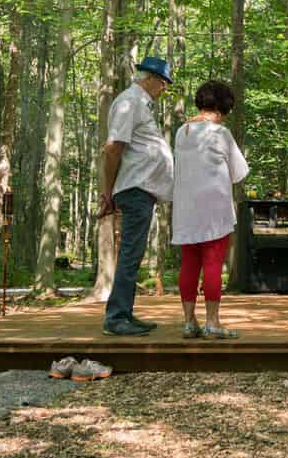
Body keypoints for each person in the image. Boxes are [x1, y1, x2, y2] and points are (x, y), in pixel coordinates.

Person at [98, 56, 175, 336]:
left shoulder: (140, 104)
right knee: (130, 253)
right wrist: (107, 192)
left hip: (143, 190)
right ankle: (116, 317)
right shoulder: (129, 102)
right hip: (135, 189)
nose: (165, 88)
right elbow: (113, 148)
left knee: (134, 252)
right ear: (150, 78)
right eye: (163, 82)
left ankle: (124, 314)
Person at [171, 79, 249, 339]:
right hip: (214, 209)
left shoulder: (182, 132)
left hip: (185, 208)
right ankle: (212, 323)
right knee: (213, 264)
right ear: (223, 107)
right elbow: (239, 173)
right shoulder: (220, 133)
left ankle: (188, 321)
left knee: (189, 264)